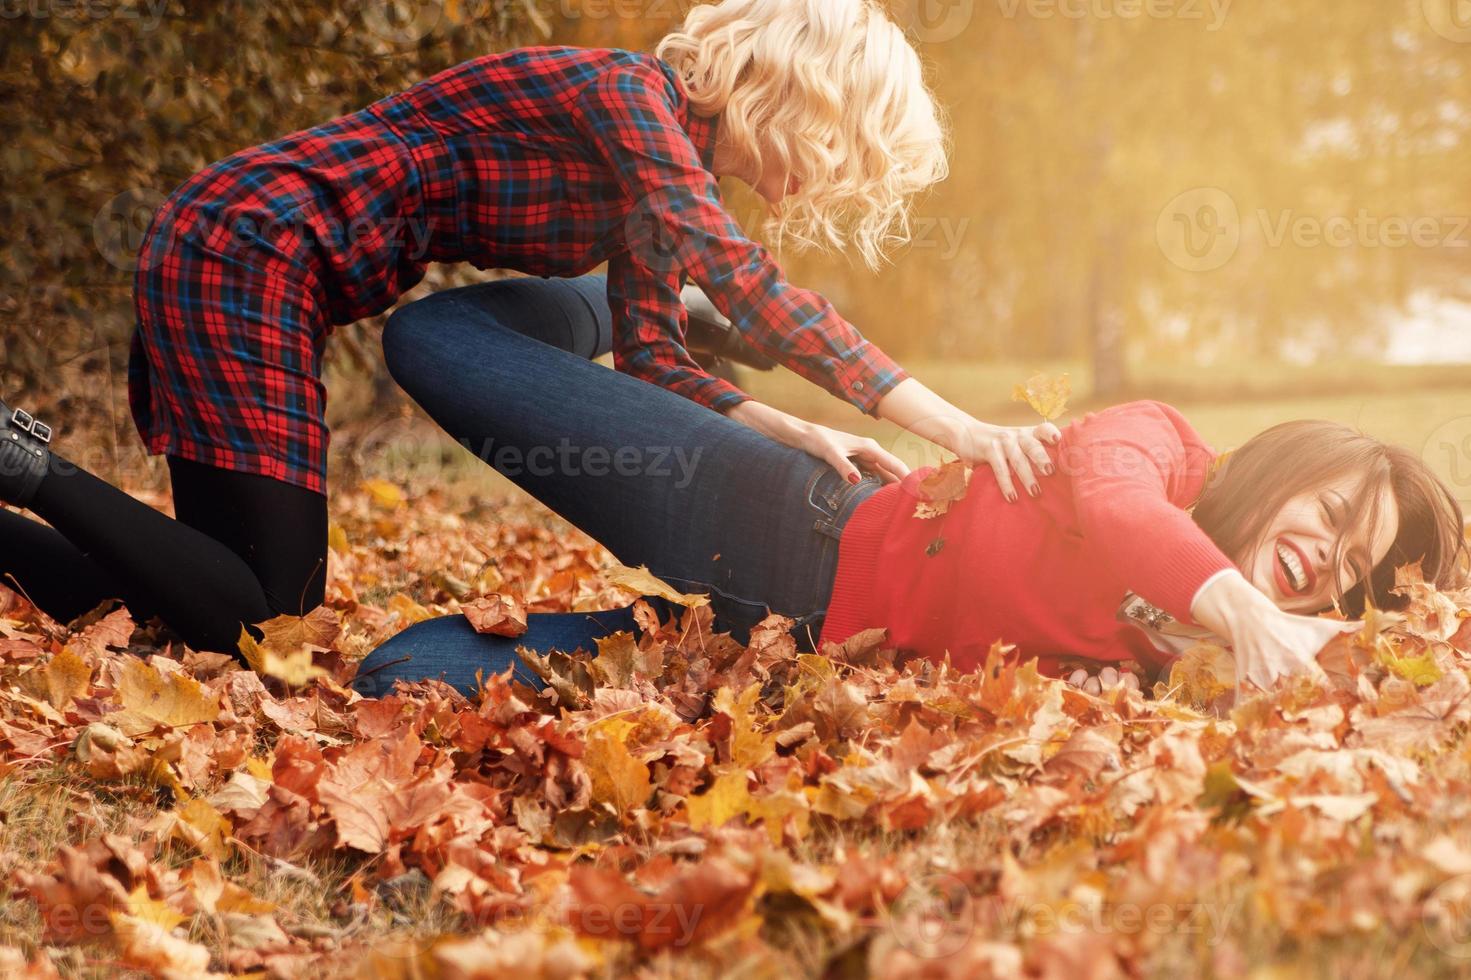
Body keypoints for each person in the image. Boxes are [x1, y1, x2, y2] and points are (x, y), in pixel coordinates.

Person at [0, 0, 1059, 655]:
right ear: (800, 95)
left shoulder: (669, 180)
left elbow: (653, 359)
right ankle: (24, 464)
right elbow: (749, 285)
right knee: (262, 617)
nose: (830, 179)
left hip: (274, 266)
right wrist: (963, 429)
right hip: (251, 245)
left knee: (192, 594)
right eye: (840, 148)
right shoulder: (629, 98)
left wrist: (800, 434)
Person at [351, 275, 1468, 698]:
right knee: (435, 339)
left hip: (770, 652)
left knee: (395, 672)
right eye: (1330, 517)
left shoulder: (1212, 667)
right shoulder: (1162, 446)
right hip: (782, 516)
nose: (1328, 560)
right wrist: (1243, 610)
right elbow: (1121, 513)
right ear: (1284, 473)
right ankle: (637, 300)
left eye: (1352, 571)